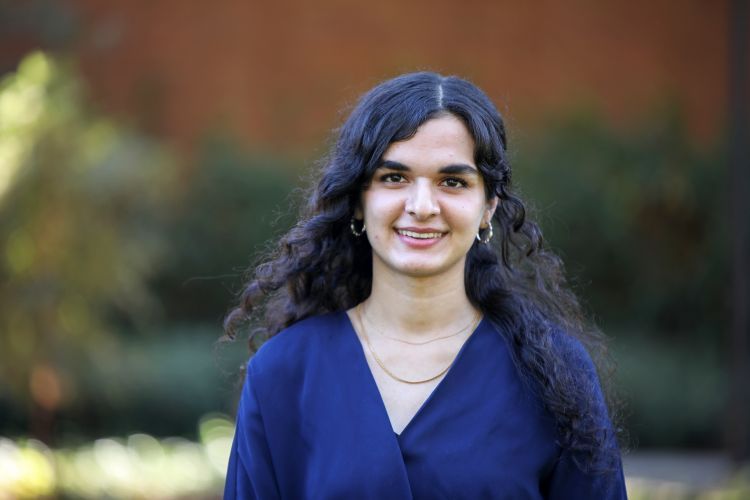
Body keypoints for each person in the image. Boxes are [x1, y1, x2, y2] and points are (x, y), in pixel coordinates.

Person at [222, 72, 627, 499]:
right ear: (359, 200)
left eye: (452, 182)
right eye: (393, 178)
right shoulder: (284, 373)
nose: (421, 207)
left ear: (488, 206)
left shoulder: (554, 374)